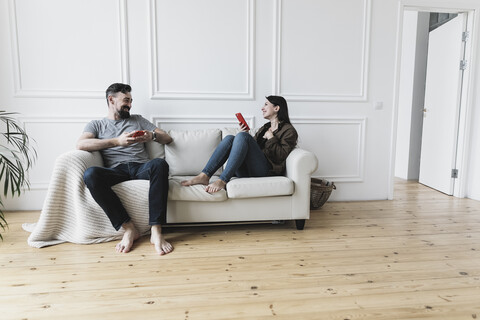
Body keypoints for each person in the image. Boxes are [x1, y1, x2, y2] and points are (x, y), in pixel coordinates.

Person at [77, 83, 173, 255]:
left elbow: (167, 138)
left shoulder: (138, 120)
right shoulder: (97, 125)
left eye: (131, 101)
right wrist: (116, 141)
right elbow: (81, 144)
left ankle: (156, 231)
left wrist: (151, 135)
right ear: (111, 99)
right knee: (91, 174)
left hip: (140, 167)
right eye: (126, 100)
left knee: (160, 164)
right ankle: (129, 229)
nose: (129, 105)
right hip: (116, 170)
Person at [182, 95, 298, 193]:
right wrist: (246, 135)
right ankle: (205, 176)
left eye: (266, 104)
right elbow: (255, 148)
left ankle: (222, 180)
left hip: (265, 171)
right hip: (247, 170)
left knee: (242, 137)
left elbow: (281, 156)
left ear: (276, 108)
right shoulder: (265, 128)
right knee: (230, 138)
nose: (262, 108)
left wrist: (271, 138)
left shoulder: (289, 131)